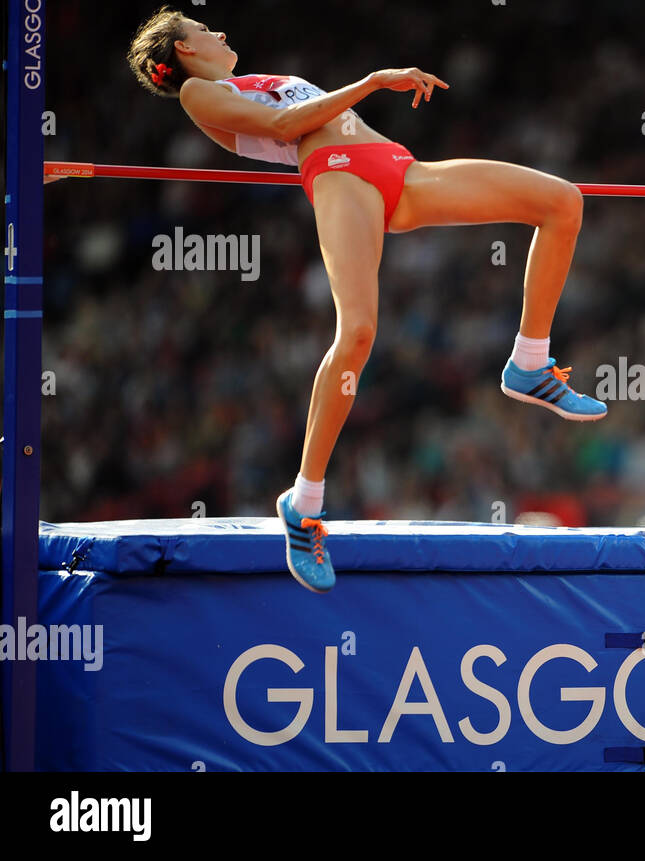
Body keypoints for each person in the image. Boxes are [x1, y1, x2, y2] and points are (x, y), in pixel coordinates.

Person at [127, 6, 606, 594]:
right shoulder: (199, 93)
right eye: (203, 31)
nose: (220, 32)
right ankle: (303, 504)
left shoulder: (249, 78)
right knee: (356, 332)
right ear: (180, 53)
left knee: (562, 202)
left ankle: (529, 361)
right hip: (340, 178)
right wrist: (374, 81)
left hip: (400, 168)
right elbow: (285, 129)